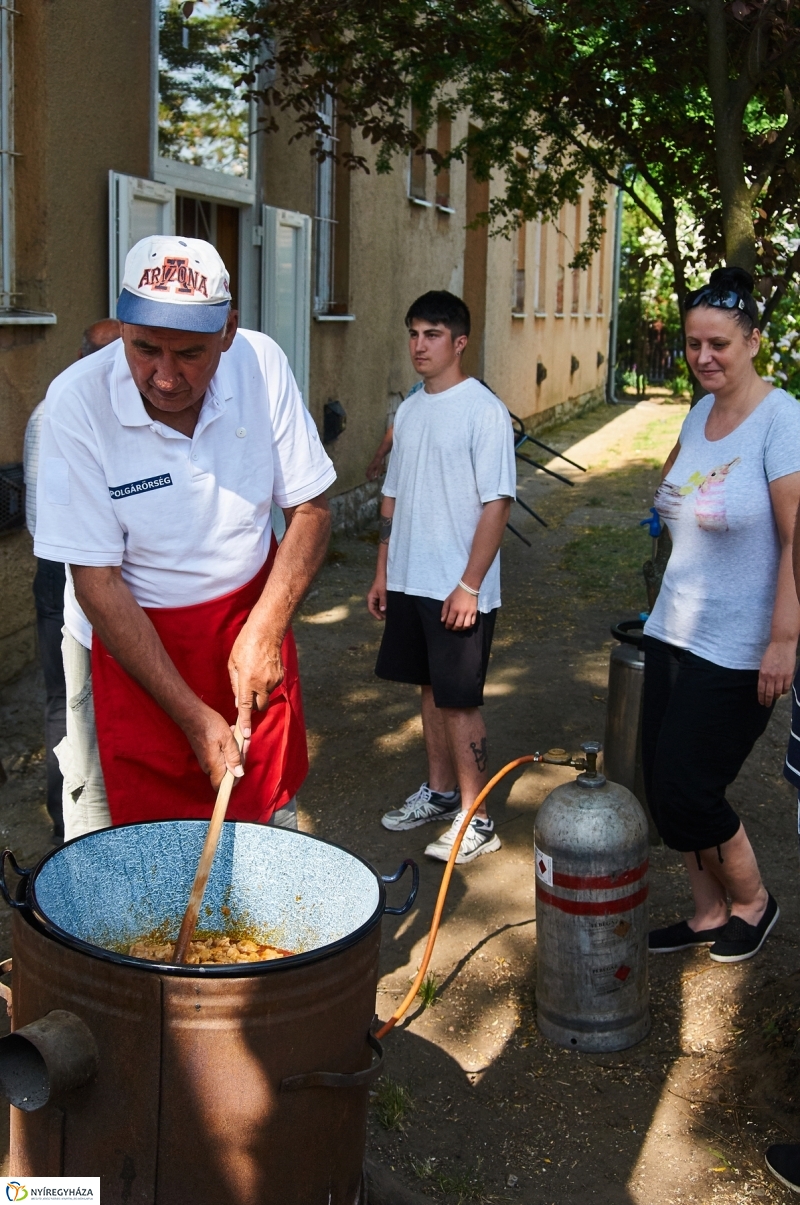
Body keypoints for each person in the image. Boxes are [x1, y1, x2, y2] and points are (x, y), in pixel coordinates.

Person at [34, 235, 335, 841]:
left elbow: (311, 510)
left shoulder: (261, 362)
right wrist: (195, 718)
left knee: (264, 816)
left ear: (228, 330)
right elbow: (97, 581)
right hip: (122, 636)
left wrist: (267, 628)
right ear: (122, 328)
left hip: (247, 622)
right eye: (145, 349)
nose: (166, 378)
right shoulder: (76, 403)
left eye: (190, 354)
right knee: (115, 841)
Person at [643, 265, 800, 963]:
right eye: (694, 343)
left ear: (754, 342)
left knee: (689, 784)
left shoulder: (783, 418)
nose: (704, 357)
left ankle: (753, 900)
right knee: (659, 780)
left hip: (739, 643)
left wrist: (784, 638)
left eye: (720, 344)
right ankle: (707, 911)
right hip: (673, 628)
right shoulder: (697, 412)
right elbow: (670, 488)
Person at [367, 290, 515, 863]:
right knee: (430, 692)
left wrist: (470, 585)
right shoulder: (409, 410)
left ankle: (477, 820)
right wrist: (383, 572)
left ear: (459, 342)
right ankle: (439, 793)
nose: (419, 345)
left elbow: (496, 503)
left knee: (458, 700)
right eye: (412, 333)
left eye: (431, 334)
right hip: (410, 579)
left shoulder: (483, 411)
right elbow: (392, 494)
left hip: (459, 587)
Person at [23, 319, 121, 842]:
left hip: (93, 571)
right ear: (85, 357)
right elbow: (54, 518)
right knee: (68, 697)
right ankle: (70, 822)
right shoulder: (59, 414)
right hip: (63, 574)